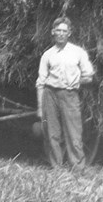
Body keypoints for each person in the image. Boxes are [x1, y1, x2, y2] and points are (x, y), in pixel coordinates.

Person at [35, 17, 94, 168]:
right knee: (52, 133)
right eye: (58, 31)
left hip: (69, 95)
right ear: (53, 32)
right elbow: (41, 82)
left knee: (74, 132)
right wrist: (40, 108)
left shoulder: (78, 52)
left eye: (64, 31)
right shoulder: (47, 55)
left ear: (69, 33)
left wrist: (76, 81)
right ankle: (56, 166)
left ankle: (78, 167)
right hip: (50, 94)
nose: (61, 34)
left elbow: (89, 75)